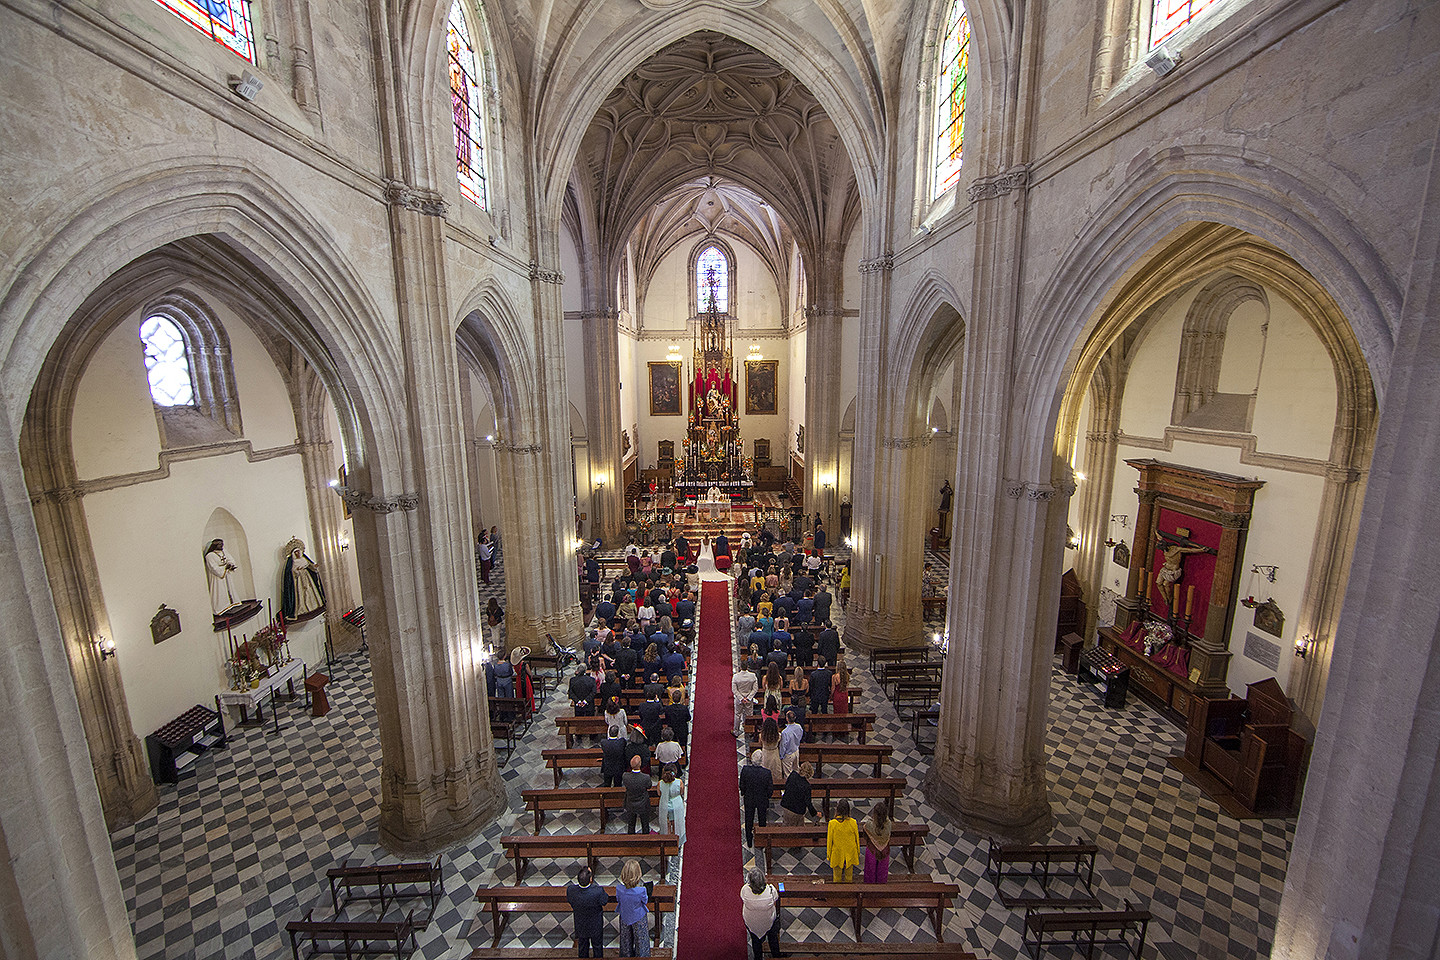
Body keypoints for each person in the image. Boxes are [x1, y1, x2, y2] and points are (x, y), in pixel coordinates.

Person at [740, 868, 784, 960]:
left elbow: (742, 897)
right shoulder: (770, 890)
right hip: (768, 920)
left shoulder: (745, 890)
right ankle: (776, 955)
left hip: (751, 921)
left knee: (756, 941)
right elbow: (776, 898)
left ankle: (758, 957)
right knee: (773, 938)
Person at [566, 865, 609, 958]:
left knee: (582, 947)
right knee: (597, 947)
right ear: (590, 879)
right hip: (595, 925)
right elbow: (604, 901)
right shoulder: (598, 891)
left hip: (580, 924)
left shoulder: (571, 890)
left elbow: (570, 901)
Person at [280, 537, 325, 621]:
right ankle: (302, 609)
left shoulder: (303, 559)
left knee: (310, 592)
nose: (297, 553)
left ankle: (313, 606)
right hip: (298, 581)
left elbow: (309, 565)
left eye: (298, 551)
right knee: (301, 595)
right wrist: (297, 572)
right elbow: (290, 573)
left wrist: (314, 567)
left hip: (307, 578)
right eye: (295, 552)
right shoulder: (292, 562)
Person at [614, 859, 650, 957]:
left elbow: (618, 899)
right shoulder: (641, 890)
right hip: (638, 917)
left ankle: (626, 956)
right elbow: (645, 901)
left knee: (626, 941)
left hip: (625, 916)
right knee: (641, 942)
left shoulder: (619, 888)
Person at [739, 750, 773, 847]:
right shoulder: (766, 773)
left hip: (749, 798)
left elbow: (742, 784)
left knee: (749, 819)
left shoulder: (745, 770)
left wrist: (744, 793)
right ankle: (761, 839)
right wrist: (767, 797)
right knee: (762, 819)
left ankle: (749, 840)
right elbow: (770, 789)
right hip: (762, 799)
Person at [204, 539, 242, 616]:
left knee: (230, 588)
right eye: (219, 544)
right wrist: (225, 568)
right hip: (217, 578)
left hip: (226, 574)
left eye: (222, 544)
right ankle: (220, 607)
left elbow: (230, 559)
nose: (222, 546)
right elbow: (213, 568)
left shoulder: (224, 551)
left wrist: (231, 565)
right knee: (219, 591)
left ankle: (232, 603)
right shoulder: (209, 556)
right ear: (214, 545)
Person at [827, 798, 861, 883]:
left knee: (836, 877)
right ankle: (848, 893)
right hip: (850, 852)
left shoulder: (832, 824)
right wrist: (858, 852)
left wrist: (829, 855)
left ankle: (837, 893)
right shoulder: (853, 822)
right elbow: (857, 839)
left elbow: (829, 841)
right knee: (849, 877)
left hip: (837, 853)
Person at [863, 800, 892, 884]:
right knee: (882, 872)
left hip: (872, 850)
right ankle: (881, 889)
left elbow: (865, 833)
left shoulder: (869, 825)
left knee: (870, 871)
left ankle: (869, 889)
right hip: (885, 851)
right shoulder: (889, 824)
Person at [779, 761, 817, 825]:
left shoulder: (793, 775)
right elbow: (808, 802)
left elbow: (786, 786)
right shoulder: (807, 786)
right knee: (798, 828)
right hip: (797, 811)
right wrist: (815, 813)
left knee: (786, 824)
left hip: (786, 805)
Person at [622, 755, 652, 834]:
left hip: (630, 802)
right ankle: (646, 841)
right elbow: (649, 786)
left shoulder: (625, 776)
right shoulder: (645, 777)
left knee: (631, 825)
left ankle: (631, 842)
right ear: (640, 764)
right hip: (643, 803)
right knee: (645, 824)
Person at [657, 764, 686, 843]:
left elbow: (659, 794)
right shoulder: (679, 782)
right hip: (676, 805)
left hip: (665, 805)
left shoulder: (660, 783)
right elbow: (681, 792)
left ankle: (668, 840)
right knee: (675, 823)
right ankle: (676, 840)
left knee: (667, 824)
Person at [733, 663, 759, 737]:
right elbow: (755, 689)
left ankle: (736, 731)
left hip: (739, 699)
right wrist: (748, 698)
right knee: (749, 714)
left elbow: (734, 690)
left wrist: (741, 698)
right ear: (747, 667)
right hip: (748, 699)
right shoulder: (752, 676)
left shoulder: (736, 676)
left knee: (738, 714)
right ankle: (749, 731)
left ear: (740, 667)